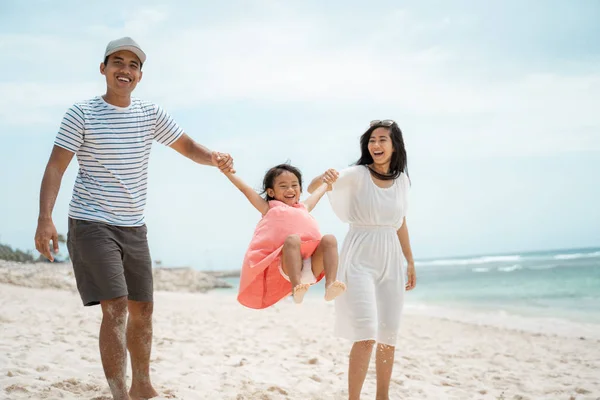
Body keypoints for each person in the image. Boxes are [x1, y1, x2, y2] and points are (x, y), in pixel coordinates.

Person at [33, 37, 234, 400]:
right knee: (117, 307)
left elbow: (187, 147)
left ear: (140, 75)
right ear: (103, 68)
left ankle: (142, 384)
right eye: (118, 62)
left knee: (144, 308)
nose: (125, 70)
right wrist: (45, 218)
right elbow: (55, 167)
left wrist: (214, 157)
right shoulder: (81, 113)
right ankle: (119, 394)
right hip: (91, 222)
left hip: (133, 225)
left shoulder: (149, 113)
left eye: (133, 65)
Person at [308, 119, 417, 400]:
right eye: (371, 140)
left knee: (388, 335)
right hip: (359, 257)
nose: (376, 145)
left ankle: (383, 396)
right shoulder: (356, 174)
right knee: (366, 333)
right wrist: (324, 176)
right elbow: (311, 187)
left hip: (390, 258)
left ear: (395, 146)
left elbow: (400, 221)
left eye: (382, 139)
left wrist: (410, 261)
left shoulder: (402, 180)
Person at [225, 163, 347, 309]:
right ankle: (297, 288)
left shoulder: (305, 207)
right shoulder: (268, 208)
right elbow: (245, 189)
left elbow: (321, 191)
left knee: (329, 239)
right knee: (293, 239)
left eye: (294, 185)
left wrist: (328, 180)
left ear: (300, 190)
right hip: (289, 267)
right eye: (283, 186)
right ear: (271, 192)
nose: (290, 189)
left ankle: (330, 285)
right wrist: (227, 172)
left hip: (312, 265)